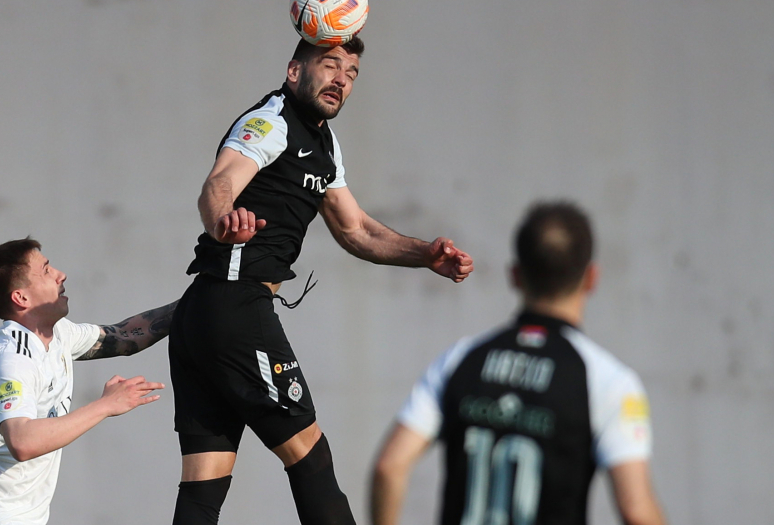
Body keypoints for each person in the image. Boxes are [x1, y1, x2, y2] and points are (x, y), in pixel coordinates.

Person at [168, 36, 474, 525]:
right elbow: (219, 182)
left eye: (351, 74)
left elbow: (356, 230)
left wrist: (424, 255)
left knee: (205, 486)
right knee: (311, 459)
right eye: (330, 65)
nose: (341, 80)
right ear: (294, 71)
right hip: (235, 308)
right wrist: (223, 219)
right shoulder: (271, 120)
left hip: (203, 316)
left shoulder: (324, 144)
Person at [370, 202, 665, 525]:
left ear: (514, 275)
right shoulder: (607, 380)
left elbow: (390, 466)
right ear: (591, 278)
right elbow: (636, 511)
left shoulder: (461, 359)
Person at [0, 238, 177, 525]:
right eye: (46, 270)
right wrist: (106, 405)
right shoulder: (11, 356)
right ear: (21, 298)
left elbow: (124, 336)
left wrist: (204, 295)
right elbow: (22, 441)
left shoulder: (59, 334)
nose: (61, 274)